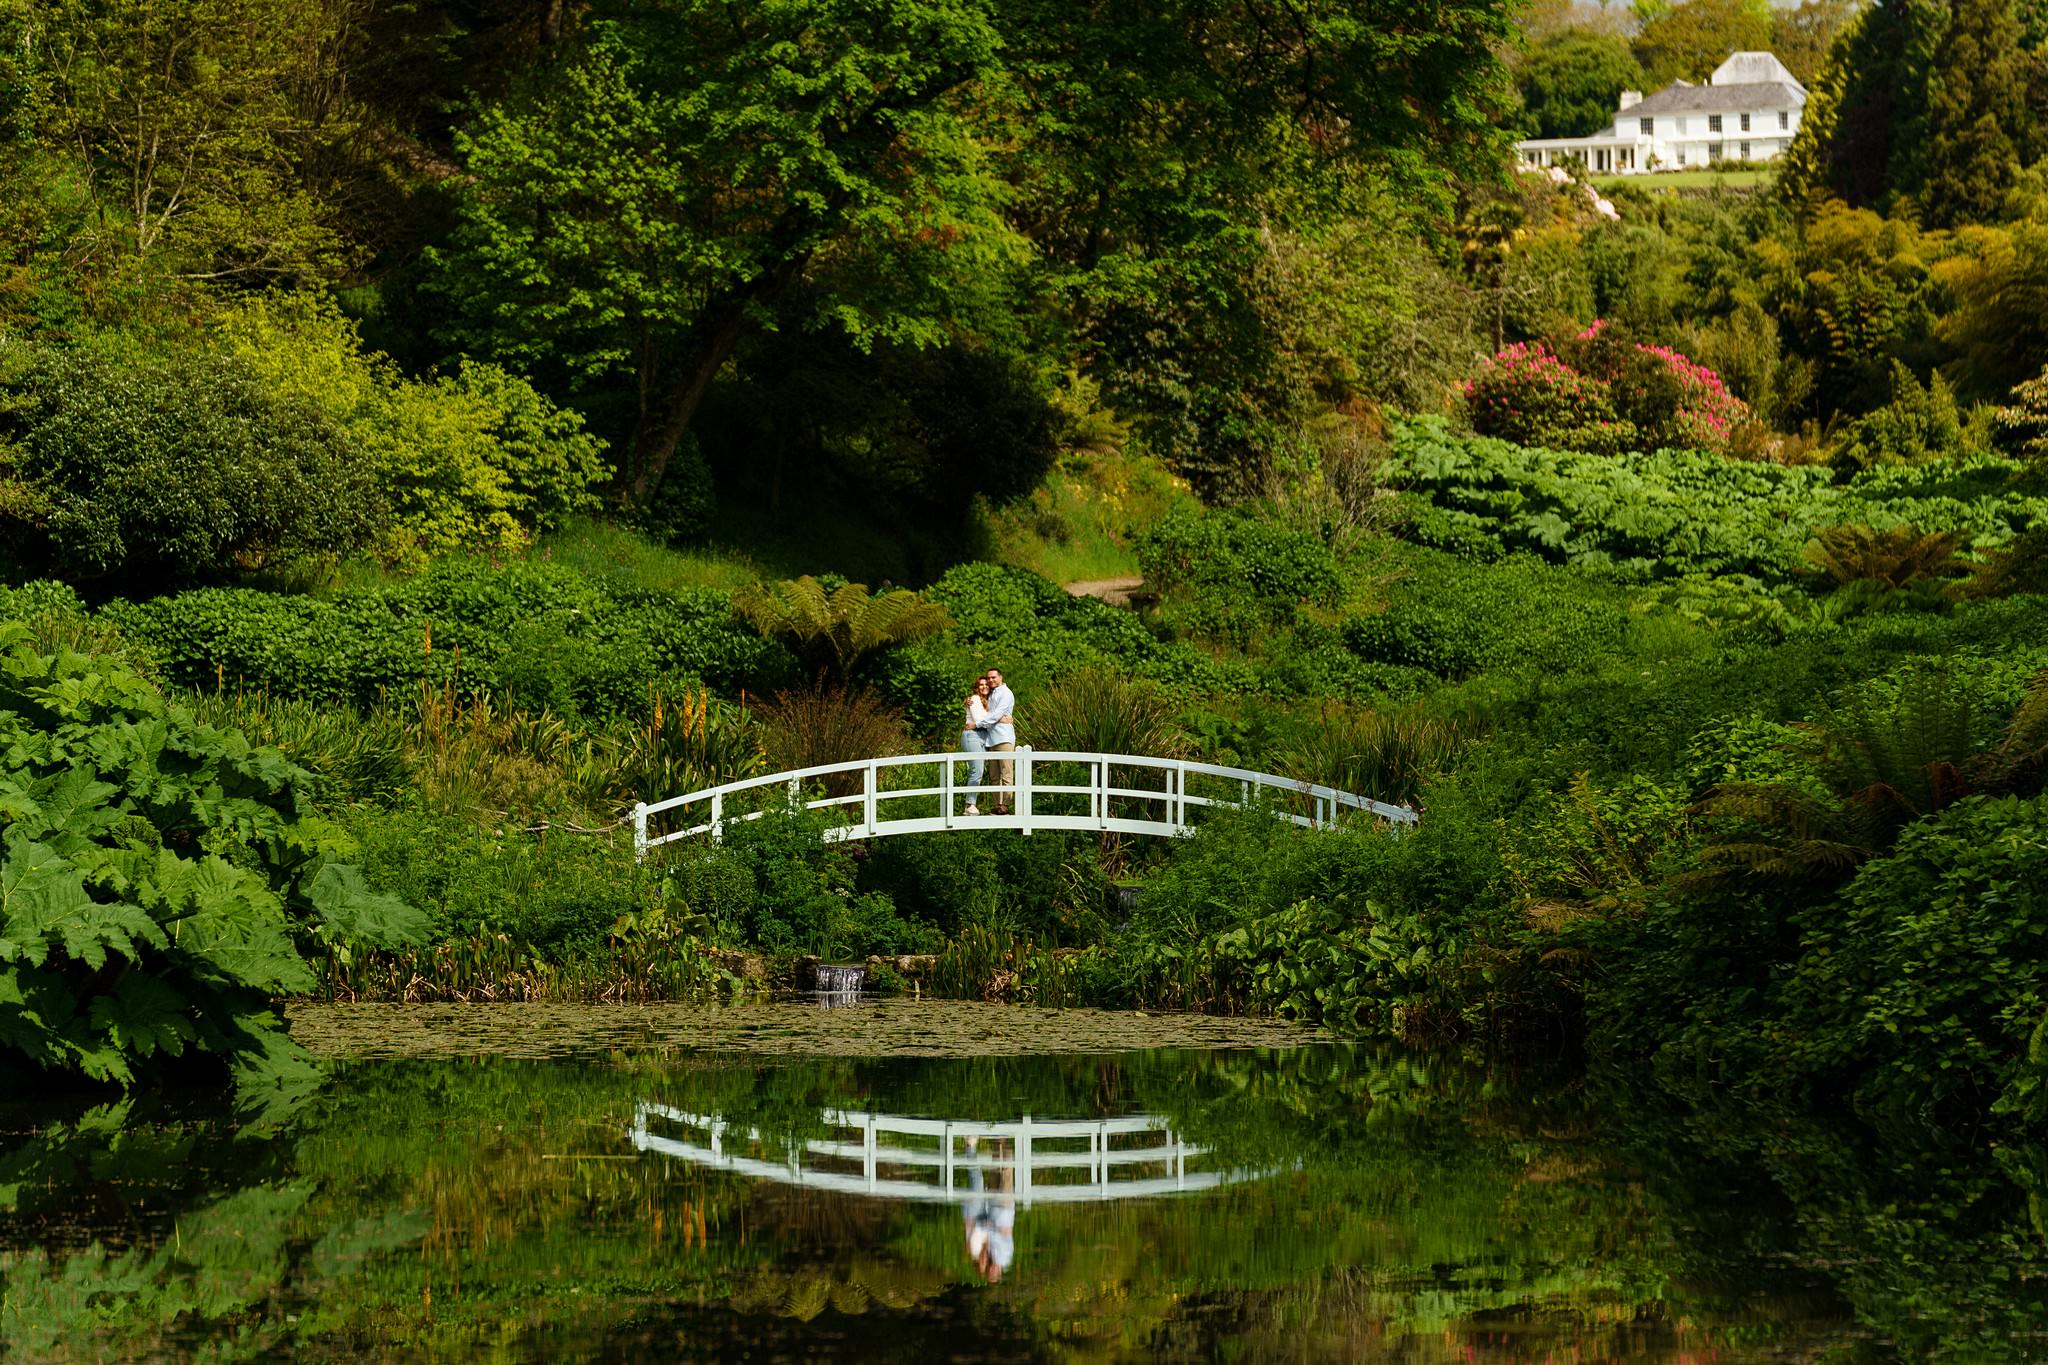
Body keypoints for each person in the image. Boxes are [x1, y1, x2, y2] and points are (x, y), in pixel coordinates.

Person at [960, 1136, 1016, 1283]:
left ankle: (973, 1145)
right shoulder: (1004, 1258)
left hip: (982, 1211)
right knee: (1003, 1173)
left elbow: (986, 1230)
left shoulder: (977, 1251)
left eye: (987, 1270)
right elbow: (1000, 1234)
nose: (990, 1268)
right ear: (999, 1272)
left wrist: (986, 1227)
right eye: (992, 1272)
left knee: (979, 1179)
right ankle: (1000, 1141)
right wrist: (989, 1227)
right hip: (1002, 1208)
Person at [983, 668, 1016, 815]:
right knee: (994, 775)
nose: (991, 680)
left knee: (1006, 772)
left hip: (1004, 737)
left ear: (1000, 677)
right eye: (989, 678)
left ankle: (1005, 805)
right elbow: (988, 714)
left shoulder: (1006, 693)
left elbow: (996, 714)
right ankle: (997, 804)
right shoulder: (990, 694)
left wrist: (981, 722)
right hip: (991, 739)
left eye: (993, 677)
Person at [960, 675, 992, 815]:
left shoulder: (988, 701)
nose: (984, 686)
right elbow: (979, 719)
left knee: (980, 770)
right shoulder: (974, 699)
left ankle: (972, 803)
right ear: (977, 687)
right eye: (981, 684)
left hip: (984, 736)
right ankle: (969, 805)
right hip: (972, 734)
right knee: (977, 769)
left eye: (986, 684)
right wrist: (1000, 718)